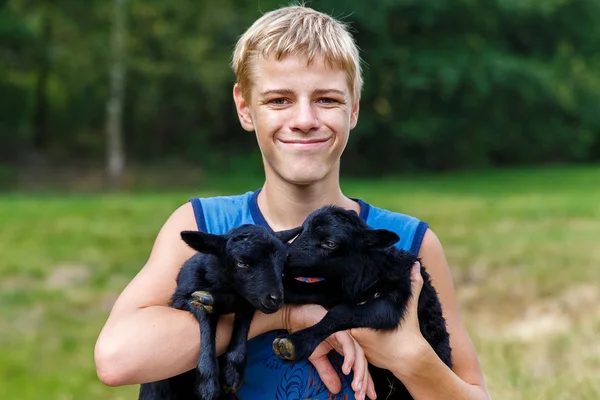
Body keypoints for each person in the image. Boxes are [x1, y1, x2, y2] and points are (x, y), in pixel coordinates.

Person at [94, 4, 491, 400]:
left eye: (327, 100)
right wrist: (282, 313)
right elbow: (117, 358)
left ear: (353, 108)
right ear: (245, 107)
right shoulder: (208, 224)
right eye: (279, 100)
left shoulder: (406, 244)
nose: (304, 119)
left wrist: (409, 356)